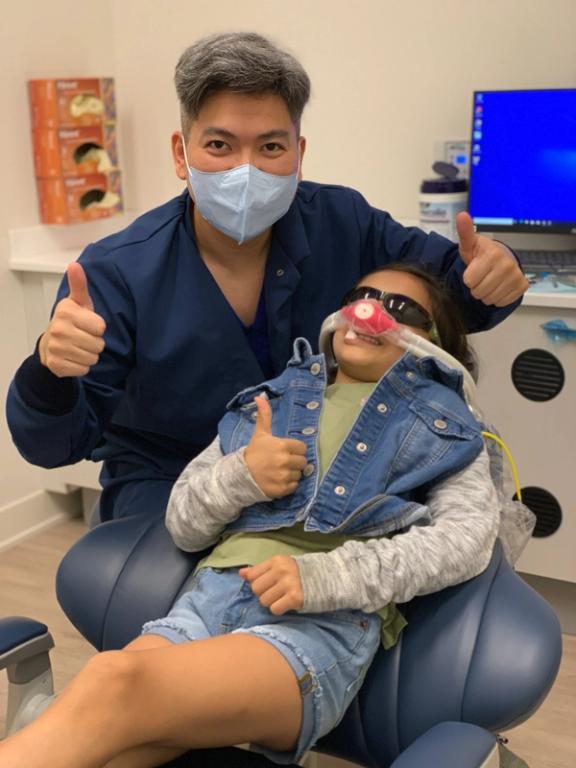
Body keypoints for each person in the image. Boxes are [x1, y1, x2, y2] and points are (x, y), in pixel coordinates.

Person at [6, 31, 527, 527]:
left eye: (271, 148)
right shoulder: (116, 271)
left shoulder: (343, 222)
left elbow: (458, 296)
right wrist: (49, 369)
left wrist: (493, 272)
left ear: (299, 155)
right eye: (219, 145)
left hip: (326, 471)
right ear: (180, 155)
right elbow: (53, 445)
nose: (246, 169)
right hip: (171, 486)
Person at [0, 265, 500, 768]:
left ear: (434, 345)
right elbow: (183, 522)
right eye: (361, 296)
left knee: (111, 681)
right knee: (102, 741)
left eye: (401, 308)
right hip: (204, 605)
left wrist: (327, 575)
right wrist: (244, 476)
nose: (369, 311)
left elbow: (466, 539)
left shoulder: (446, 427)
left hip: (312, 631)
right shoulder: (272, 401)